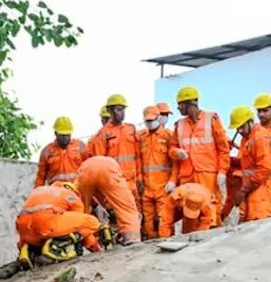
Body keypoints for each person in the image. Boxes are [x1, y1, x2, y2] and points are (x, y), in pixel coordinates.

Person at [88, 95, 142, 245]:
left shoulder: (131, 129)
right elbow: (100, 164)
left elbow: (138, 156)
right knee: (116, 221)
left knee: (134, 219)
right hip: (114, 184)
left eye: (123, 109)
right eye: (118, 110)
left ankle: (133, 245)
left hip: (131, 184)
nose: (121, 113)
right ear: (110, 111)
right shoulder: (103, 134)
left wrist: (140, 179)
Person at [174, 86, 231, 213]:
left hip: (208, 176)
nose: (178, 107)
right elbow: (172, 148)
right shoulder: (179, 125)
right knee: (190, 215)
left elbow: (223, 149)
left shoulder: (211, 119)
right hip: (188, 177)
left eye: (180, 104)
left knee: (210, 212)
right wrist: (176, 152)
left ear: (190, 103)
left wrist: (222, 171)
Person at [15, 183, 102, 264]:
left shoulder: (40, 191)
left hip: (24, 229)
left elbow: (24, 231)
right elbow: (79, 225)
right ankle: (55, 246)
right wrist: (94, 246)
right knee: (92, 222)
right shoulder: (71, 195)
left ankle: (28, 252)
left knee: (40, 233)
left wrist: (22, 246)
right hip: (46, 223)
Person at [229, 106, 271, 223]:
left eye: (241, 127)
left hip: (262, 196)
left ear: (250, 122)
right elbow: (248, 164)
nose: (239, 131)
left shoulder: (259, 138)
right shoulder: (246, 138)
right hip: (252, 193)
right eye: (237, 128)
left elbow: (265, 169)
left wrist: (243, 190)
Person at [138, 104, 182, 240]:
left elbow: (175, 162)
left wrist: (173, 181)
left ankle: (167, 246)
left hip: (163, 188)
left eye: (152, 120)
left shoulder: (168, 135)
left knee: (164, 222)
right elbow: (139, 161)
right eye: (148, 121)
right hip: (146, 189)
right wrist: (139, 180)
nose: (150, 124)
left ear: (158, 118)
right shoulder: (142, 137)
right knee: (149, 225)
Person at [74, 155, 140, 244]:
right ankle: (132, 239)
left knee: (80, 211)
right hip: (108, 168)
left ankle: (80, 242)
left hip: (84, 170)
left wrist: (96, 206)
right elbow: (124, 200)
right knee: (128, 211)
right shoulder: (125, 181)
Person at [35, 117, 88, 187]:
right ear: (55, 133)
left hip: (77, 191)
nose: (66, 138)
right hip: (56, 192)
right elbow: (40, 177)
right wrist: (37, 194)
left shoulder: (81, 147)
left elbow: (89, 169)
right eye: (63, 135)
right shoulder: (47, 152)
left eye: (68, 135)